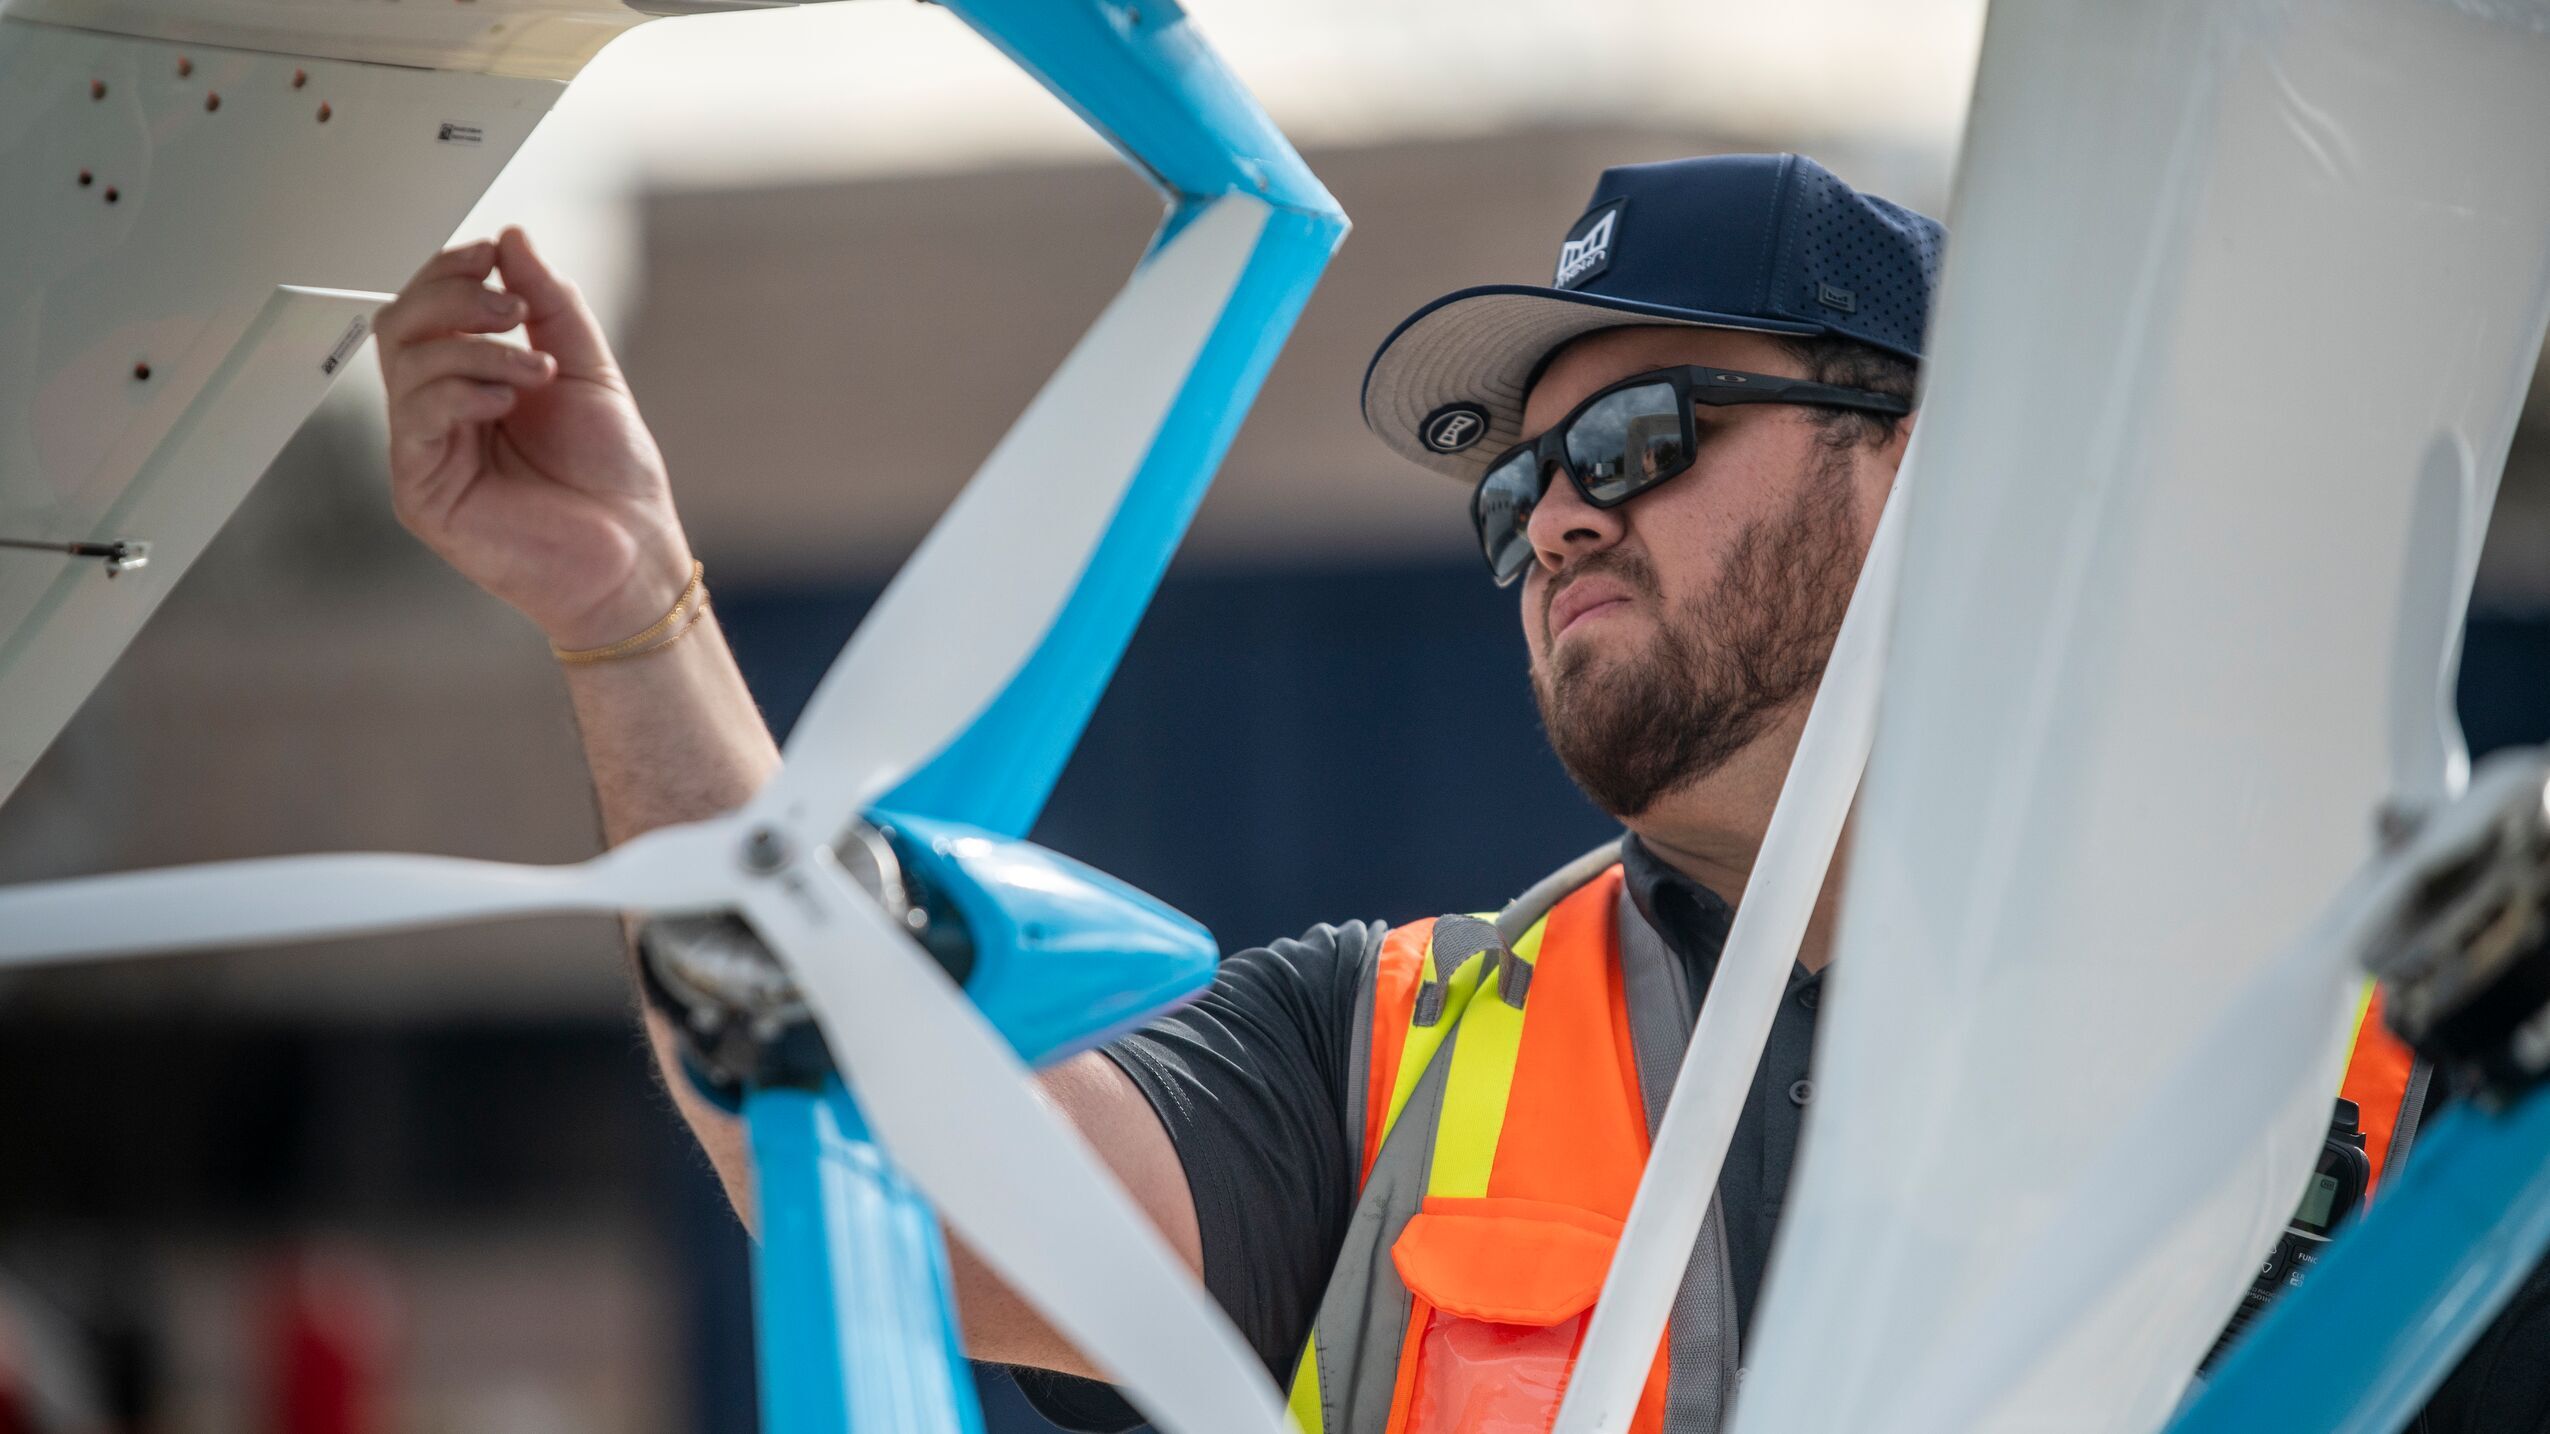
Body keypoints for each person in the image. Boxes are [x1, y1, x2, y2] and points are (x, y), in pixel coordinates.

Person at [371, 154, 2543, 1433]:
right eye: (1518, 493)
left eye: (1635, 444)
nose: (1557, 525)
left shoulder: (2406, 1026)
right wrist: (634, 621)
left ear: (1942, 461)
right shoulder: (1391, 1042)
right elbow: (899, 1194)